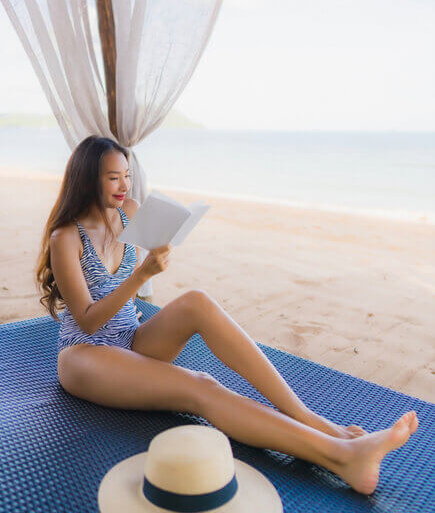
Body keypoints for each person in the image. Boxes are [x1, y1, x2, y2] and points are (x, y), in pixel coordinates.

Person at [36, 135, 418, 496]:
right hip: (87, 354)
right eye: (113, 178)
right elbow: (87, 319)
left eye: (128, 176)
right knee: (201, 386)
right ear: (88, 179)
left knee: (198, 301)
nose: (124, 186)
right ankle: (341, 456)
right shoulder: (66, 238)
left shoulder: (130, 212)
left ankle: (313, 421)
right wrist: (142, 275)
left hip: (131, 340)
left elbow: (156, 245)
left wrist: (168, 240)